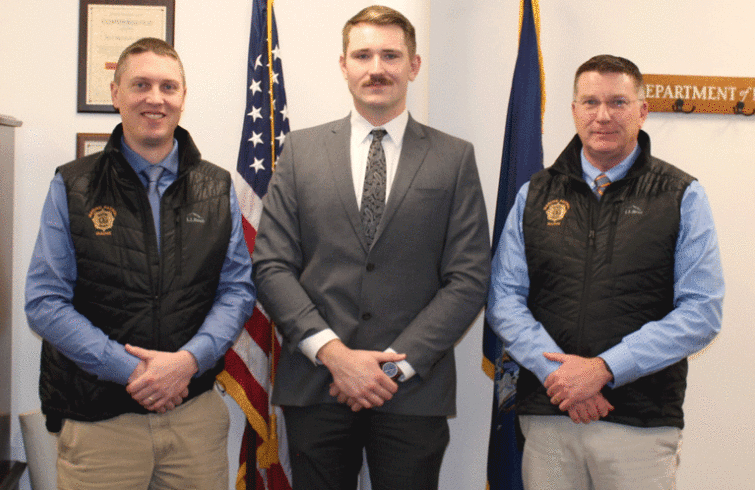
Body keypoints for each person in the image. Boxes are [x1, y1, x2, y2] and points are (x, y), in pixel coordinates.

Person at [252, 5, 491, 490]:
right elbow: (272, 265)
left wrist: (395, 367)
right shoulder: (299, 152)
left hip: (411, 393)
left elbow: (468, 278)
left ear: (414, 65)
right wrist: (335, 355)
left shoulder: (454, 158)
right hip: (318, 385)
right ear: (344, 65)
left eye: (390, 55)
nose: (376, 68)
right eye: (362, 55)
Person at [25, 37, 256, 489]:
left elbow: (237, 289)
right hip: (99, 424)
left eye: (168, 86)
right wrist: (134, 371)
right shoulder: (72, 185)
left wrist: (189, 362)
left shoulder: (217, 186)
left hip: (193, 420)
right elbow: (44, 302)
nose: (155, 98)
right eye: (140, 85)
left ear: (183, 98)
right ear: (116, 94)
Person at [487, 54, 724, 489]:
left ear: (642, 111)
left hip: (641, 423)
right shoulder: (533, 194)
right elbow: (503, 299)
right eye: (590, 102)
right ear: (574, 110)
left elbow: (702, 311)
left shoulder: (681, 195)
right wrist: (562, 378)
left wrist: (604, 369)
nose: (603, 116)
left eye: (618, 102)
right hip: (549, 419)